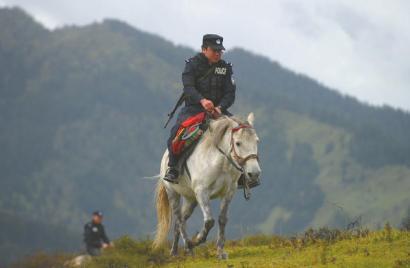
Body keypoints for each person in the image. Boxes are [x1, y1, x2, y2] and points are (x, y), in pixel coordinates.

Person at [163, 34, 236, 184]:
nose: (218, 53)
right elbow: (188, 87)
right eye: (214, 50)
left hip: (218, 111)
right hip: (194, 109)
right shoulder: (192, 65)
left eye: (220, 51)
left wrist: (220, 107)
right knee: (176, 132)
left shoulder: (225, 68)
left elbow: (230, 93)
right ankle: (173, 168)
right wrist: (202, 101)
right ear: (204, 49)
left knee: (241, 131)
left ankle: (242, 174)